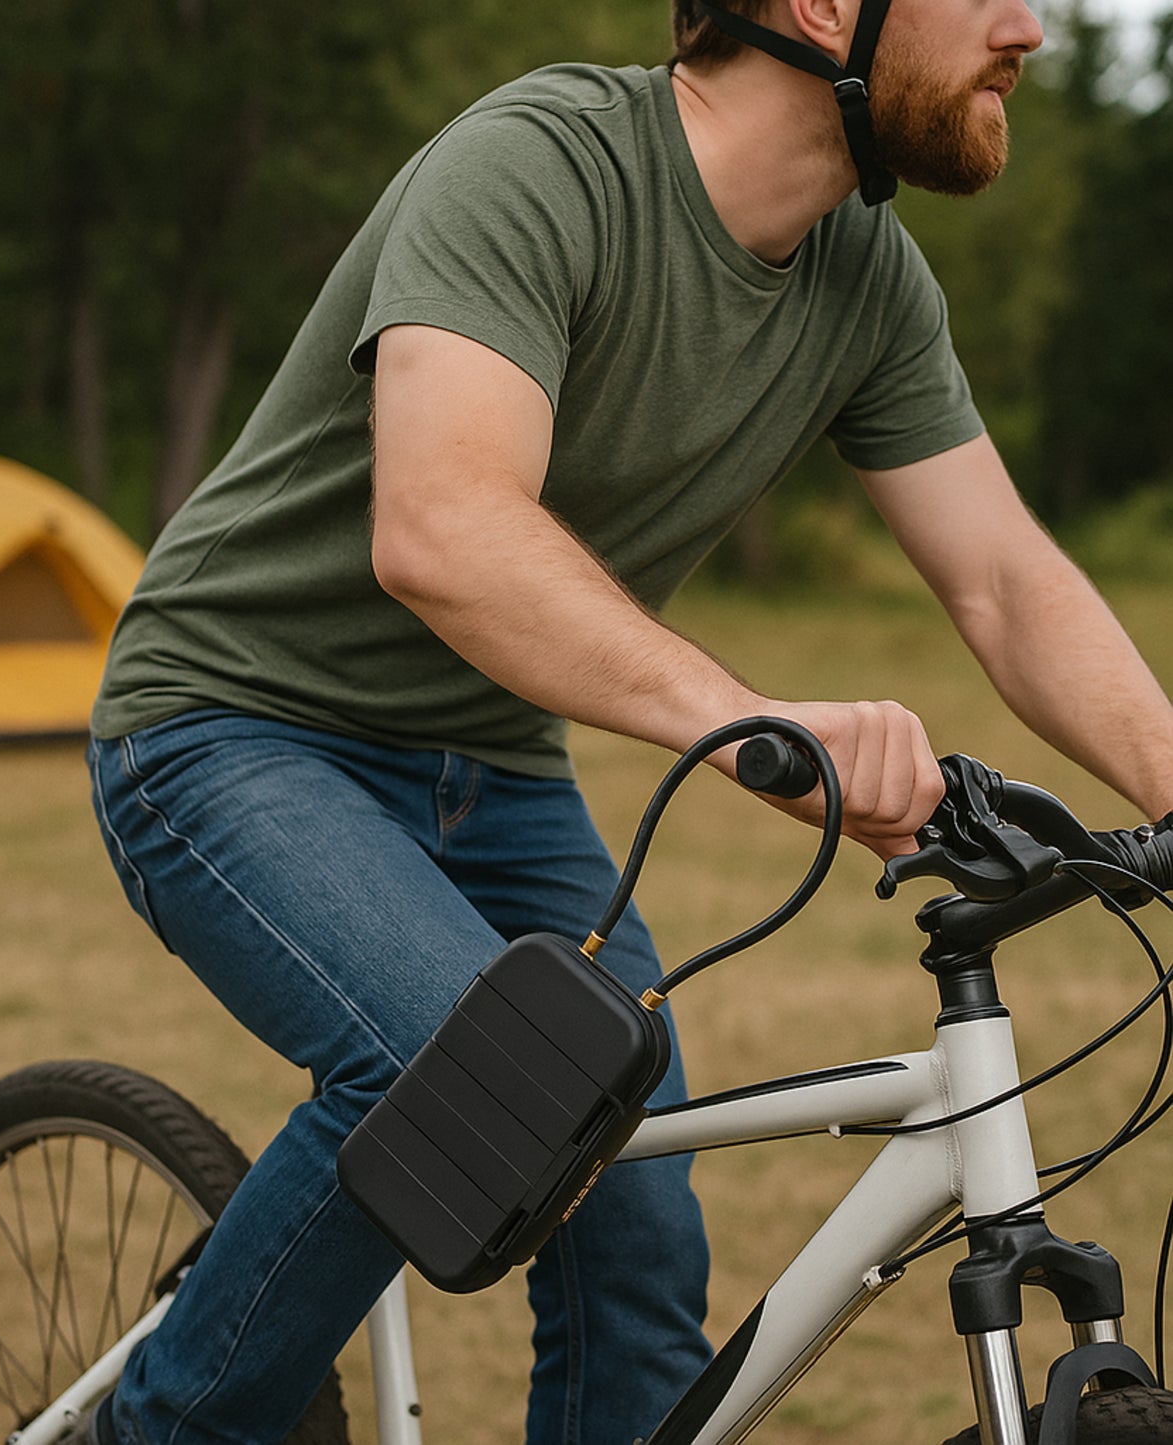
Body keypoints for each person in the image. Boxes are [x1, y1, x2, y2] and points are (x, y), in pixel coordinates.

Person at [80, 0, 1173, 1438]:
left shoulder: (867, 280)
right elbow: (442, 525)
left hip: (495, 765)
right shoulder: (541, 167)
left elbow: (1001, 578)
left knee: (634, 1202)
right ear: (822, 10)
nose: (1025, 28)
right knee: (457, 1071)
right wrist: (750, 723)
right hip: (232, 722)